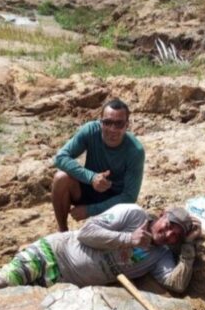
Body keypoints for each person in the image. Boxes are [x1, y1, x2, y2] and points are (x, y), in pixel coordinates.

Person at [0, 204, 201, 307]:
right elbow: (86, 232)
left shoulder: (161, 255)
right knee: (1, 282)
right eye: (169, 225)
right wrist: (127, 238)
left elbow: (175, 284)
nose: (170, 233)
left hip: (66, 284)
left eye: (177, 233)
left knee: (0, 300)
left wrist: (188, 248)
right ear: (160, 215)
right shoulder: (133, 214)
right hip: (54, 252)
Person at [51, 99, 145, 232]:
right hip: (88, 188)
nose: (112, 129)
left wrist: (89, 211)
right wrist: (91, 178)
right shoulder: (90, 131)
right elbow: (60, 158)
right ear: (100, 122)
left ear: (127, 125)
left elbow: (129, 196)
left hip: (114, 201)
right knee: (60, 178)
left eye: (119, 124)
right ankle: (62, 231)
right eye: (107, 122)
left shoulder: (135, 150)